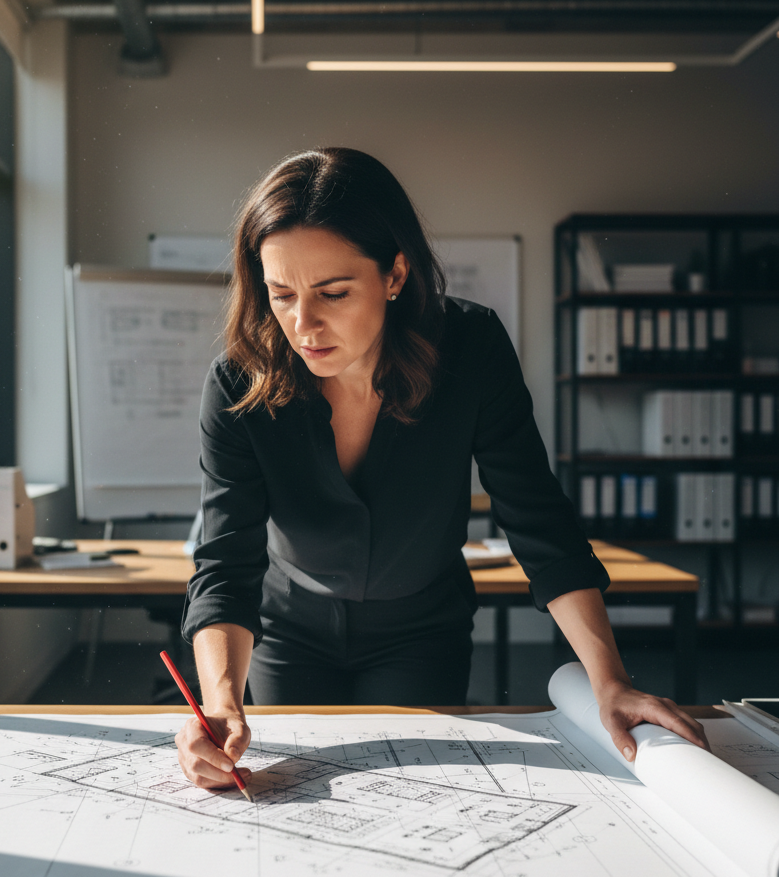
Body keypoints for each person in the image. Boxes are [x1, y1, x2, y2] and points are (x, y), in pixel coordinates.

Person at [174, 147, 707, 792]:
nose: (302, 324)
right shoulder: (240, 379)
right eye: (281, 294)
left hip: (420, 631)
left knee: (413, 797)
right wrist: (220, 703)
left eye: (333, 293)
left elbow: (536, 519)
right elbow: (226, 561)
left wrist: (610, 682)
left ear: (395, 273)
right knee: (295, 800)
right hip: (290, 632)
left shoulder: (471, 349)